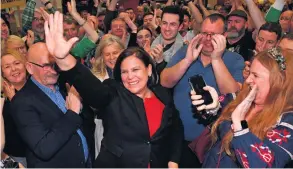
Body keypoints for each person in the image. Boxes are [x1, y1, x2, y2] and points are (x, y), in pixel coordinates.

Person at [44, 11, 183, 168]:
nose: (130, 76)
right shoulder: (113, 92)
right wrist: (64, 60)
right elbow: (94, 91)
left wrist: (173, 160)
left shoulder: (162, 95)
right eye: (124, 72)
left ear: (149, 70)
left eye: (136, 69)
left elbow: (176, 128)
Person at [160, 13, 244, 168]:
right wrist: (187, 60)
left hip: (212, 144)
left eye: (214, 35)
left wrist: (216, 58)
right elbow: (165, 81)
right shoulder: (186, 51)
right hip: (178, 140)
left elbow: (234, 95)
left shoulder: (235, 59)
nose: (207, 38)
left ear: (224, 36)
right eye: (204, 33)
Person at [192, 47, 293, 168]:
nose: (248, 80)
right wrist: (213, 106)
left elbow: (264, 165)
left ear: (278, 83)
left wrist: (241, 128)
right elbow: (220, 111)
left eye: (255, 75)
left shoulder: (287, 122)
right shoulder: (243, 97)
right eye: (249, 73)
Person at [10, 42, 95, 168]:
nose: (53, 70)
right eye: (46, 65)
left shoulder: (62, 85)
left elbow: (84, 124)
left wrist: (81, 107)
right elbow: (44, 148)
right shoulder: (21, 102)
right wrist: (72, 113)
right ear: (29, 68)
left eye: (55, 64)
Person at [1, 50, 28, 167]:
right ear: (2, 73)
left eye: (17, 63)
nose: (13, 69)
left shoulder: (40, 88)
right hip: (16, 158)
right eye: (7, 66)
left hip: (44, 154)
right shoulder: (2, 99)